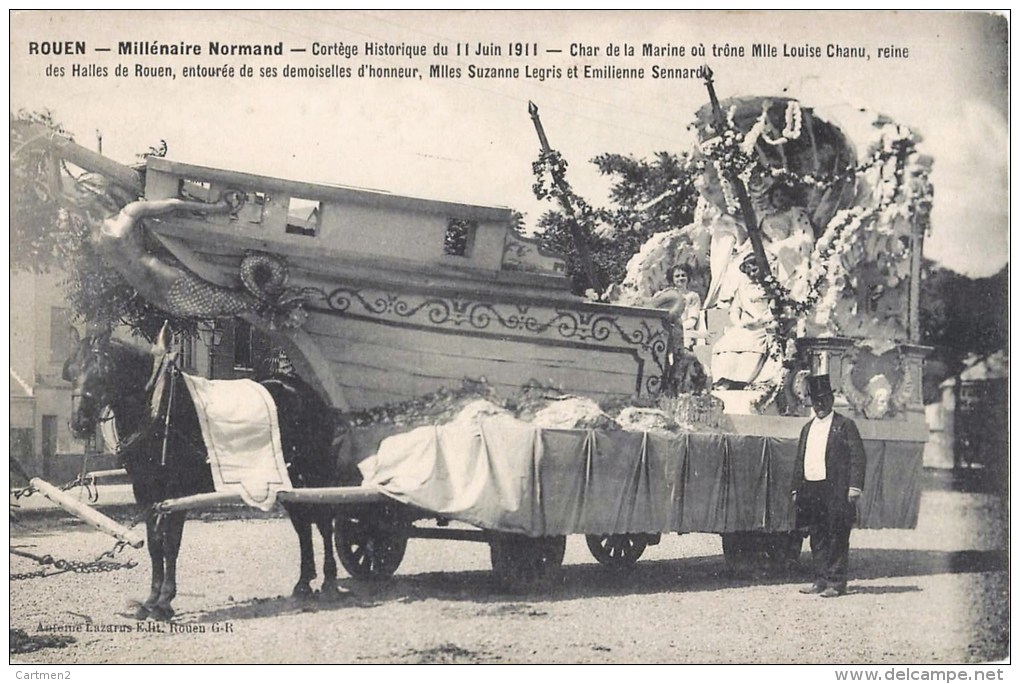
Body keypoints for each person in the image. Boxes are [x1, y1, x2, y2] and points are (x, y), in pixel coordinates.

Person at [790, 374, 867, 597]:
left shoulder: (845, 425)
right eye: (816, 401)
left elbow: (858, 457)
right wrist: (796, 488)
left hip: (836, 491)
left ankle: (836, 582)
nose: (820, 405)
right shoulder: (807, 428)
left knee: (837, 535)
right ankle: (820, 580)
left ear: (831, 400)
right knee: (817, 535)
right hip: (812, 489)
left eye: (824, 400)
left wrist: (854, 486)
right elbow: (800, 459)